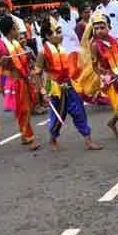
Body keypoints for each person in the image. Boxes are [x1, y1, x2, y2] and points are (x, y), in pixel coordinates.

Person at [35, 17, 101, 151]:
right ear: (48, 36)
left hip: (69, 85)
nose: (60, 35)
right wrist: (43, 92)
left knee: (79, 111)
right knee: (58, 116)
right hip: (54, 88)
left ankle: (88, 140)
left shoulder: (62, 48)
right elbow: (37, 73)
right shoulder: (42, 53)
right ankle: (52, 139)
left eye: (60, 31)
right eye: (57, 32)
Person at [0, 16, 39, 149]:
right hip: (12, 81)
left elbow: (25, 61)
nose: (18, 30)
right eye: (17, 28)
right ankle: (28, 136)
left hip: (24, 78)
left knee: (28, 107)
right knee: (23, 109)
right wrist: (1, 61)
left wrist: (29, 55)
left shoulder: (17, 43)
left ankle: (25, 134)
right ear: (11, 30)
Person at [89, 11, 118, 142]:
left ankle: (112, 122)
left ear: (108, 28)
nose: (99, 31)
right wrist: (104, 74)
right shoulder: (94, 45)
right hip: (110, 79)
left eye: (102, 27)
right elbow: (94, 66)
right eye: (96, 28)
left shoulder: (114, 42)